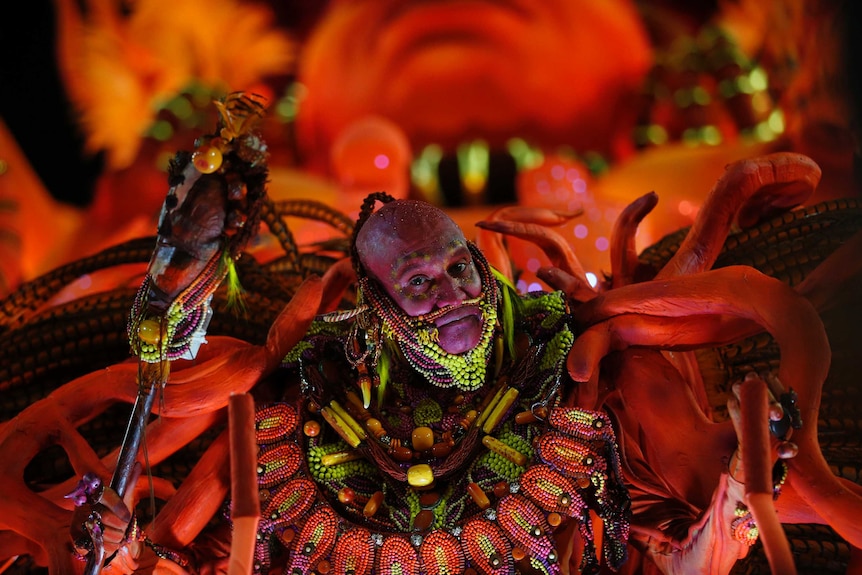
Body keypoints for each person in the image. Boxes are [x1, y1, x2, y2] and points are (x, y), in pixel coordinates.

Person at [72, 194, 799, 575]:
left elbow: (668, 553)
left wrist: (741, 484)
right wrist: (126, 545)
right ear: (381, 305)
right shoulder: (310, 409)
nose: (452, 290)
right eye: (418, 281)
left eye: (458, 265)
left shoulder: (573, 368)